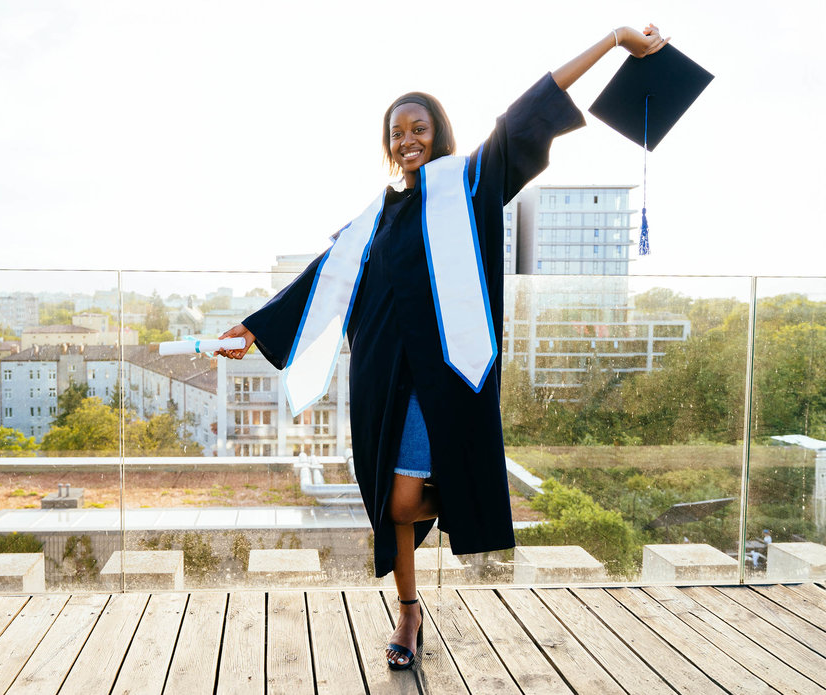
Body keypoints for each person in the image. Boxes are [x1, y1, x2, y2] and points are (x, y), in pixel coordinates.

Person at [218, 24, 670, 670]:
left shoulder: (471, 183)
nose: (407, 140)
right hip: (387, 381)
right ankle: (410, 606)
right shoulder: (375, 217)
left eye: (417, 128)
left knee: (403, 501)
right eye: (396, 133)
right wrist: (255, 328)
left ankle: (459, 501)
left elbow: (531, 108)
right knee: (393, 502)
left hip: (446, 376)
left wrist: (613, 41)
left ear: (439, 133)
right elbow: (324, 279)